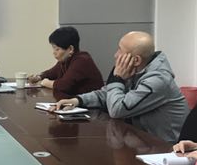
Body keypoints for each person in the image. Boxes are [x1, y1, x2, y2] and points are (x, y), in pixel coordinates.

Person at [53, 31, 188, 142]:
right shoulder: (138, 69)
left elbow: (117, 110)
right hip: (140, 140)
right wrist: (77, 100)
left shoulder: (157, 80)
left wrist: (116, 78)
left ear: (136, 60)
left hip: (164, 147)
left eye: (120, 50)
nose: (115, 55)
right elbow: (107, 94)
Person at [27, 26, 103, 99]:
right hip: (75, 102)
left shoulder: (82, 60)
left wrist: (46, 83)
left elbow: (64, 85)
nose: (54, 52)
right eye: (53, 48)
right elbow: (52, 72)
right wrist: (38, 77)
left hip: (91, 105)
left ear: (70, 49)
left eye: (57, 49)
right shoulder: (66, 59)